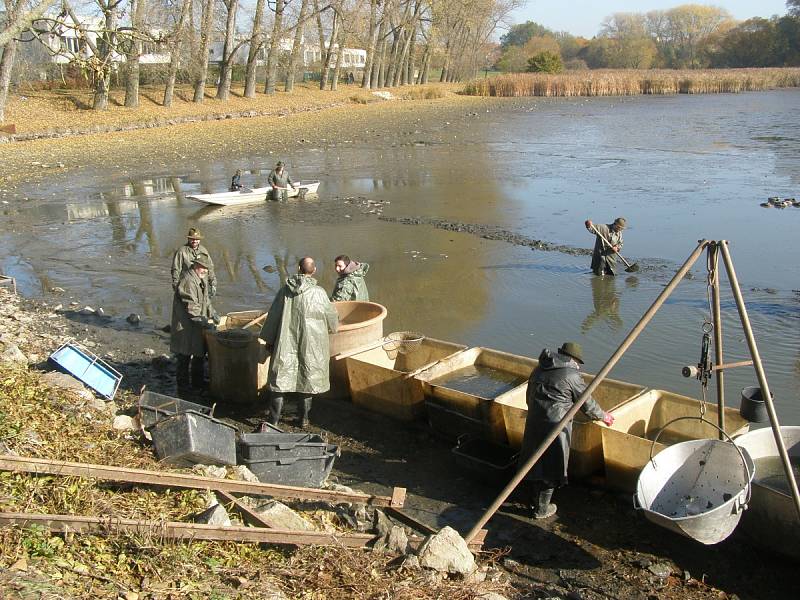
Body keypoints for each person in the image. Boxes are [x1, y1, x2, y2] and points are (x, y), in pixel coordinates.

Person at [520, 342, 614, 519]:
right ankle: (541, 510)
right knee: (552, 466)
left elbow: (528, 396)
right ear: (572, 359)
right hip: (555, 426)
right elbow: (586, 402)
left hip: (534, 421)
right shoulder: (571, 374)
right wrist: (603, 416)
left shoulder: (540, 368)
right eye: (578, 362)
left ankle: (535, 500)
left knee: (535, 461)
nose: (578, 366)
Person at [260, 257, 339, 427]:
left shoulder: (285, 291)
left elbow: (273, 317)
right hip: (310, 345)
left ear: (298, 269)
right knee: (307, 378)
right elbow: (332, 319)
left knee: (279, 380)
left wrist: (269, 340)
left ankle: (273, 420)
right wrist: (333, 327)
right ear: (314, 270)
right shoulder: (320, 293)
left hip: (285, 343)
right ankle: (303, 419)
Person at [170, 258, 220, 391]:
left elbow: (206, 300)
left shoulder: (201, 278)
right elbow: (191, 306)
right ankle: (183, 386)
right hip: (185, 325)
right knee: (184, 355)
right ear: (195, 266)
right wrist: (204, 321)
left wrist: (212, 313)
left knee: (199, 353)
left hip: (197, 324)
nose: (204, 270)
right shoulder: (187, 281)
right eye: (202, 267)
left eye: (206, 268)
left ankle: (198, 383)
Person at [172, 228, 217, 297]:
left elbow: (210, 267)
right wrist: (176, 287)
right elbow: (176, 269)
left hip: (202, 286)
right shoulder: (181, 251)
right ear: (188, 239)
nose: (195, 241)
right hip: (187, 286)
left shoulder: (203, 250)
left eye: (197, 239)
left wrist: (213, 284)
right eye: (192, 239)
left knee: (204, 305)